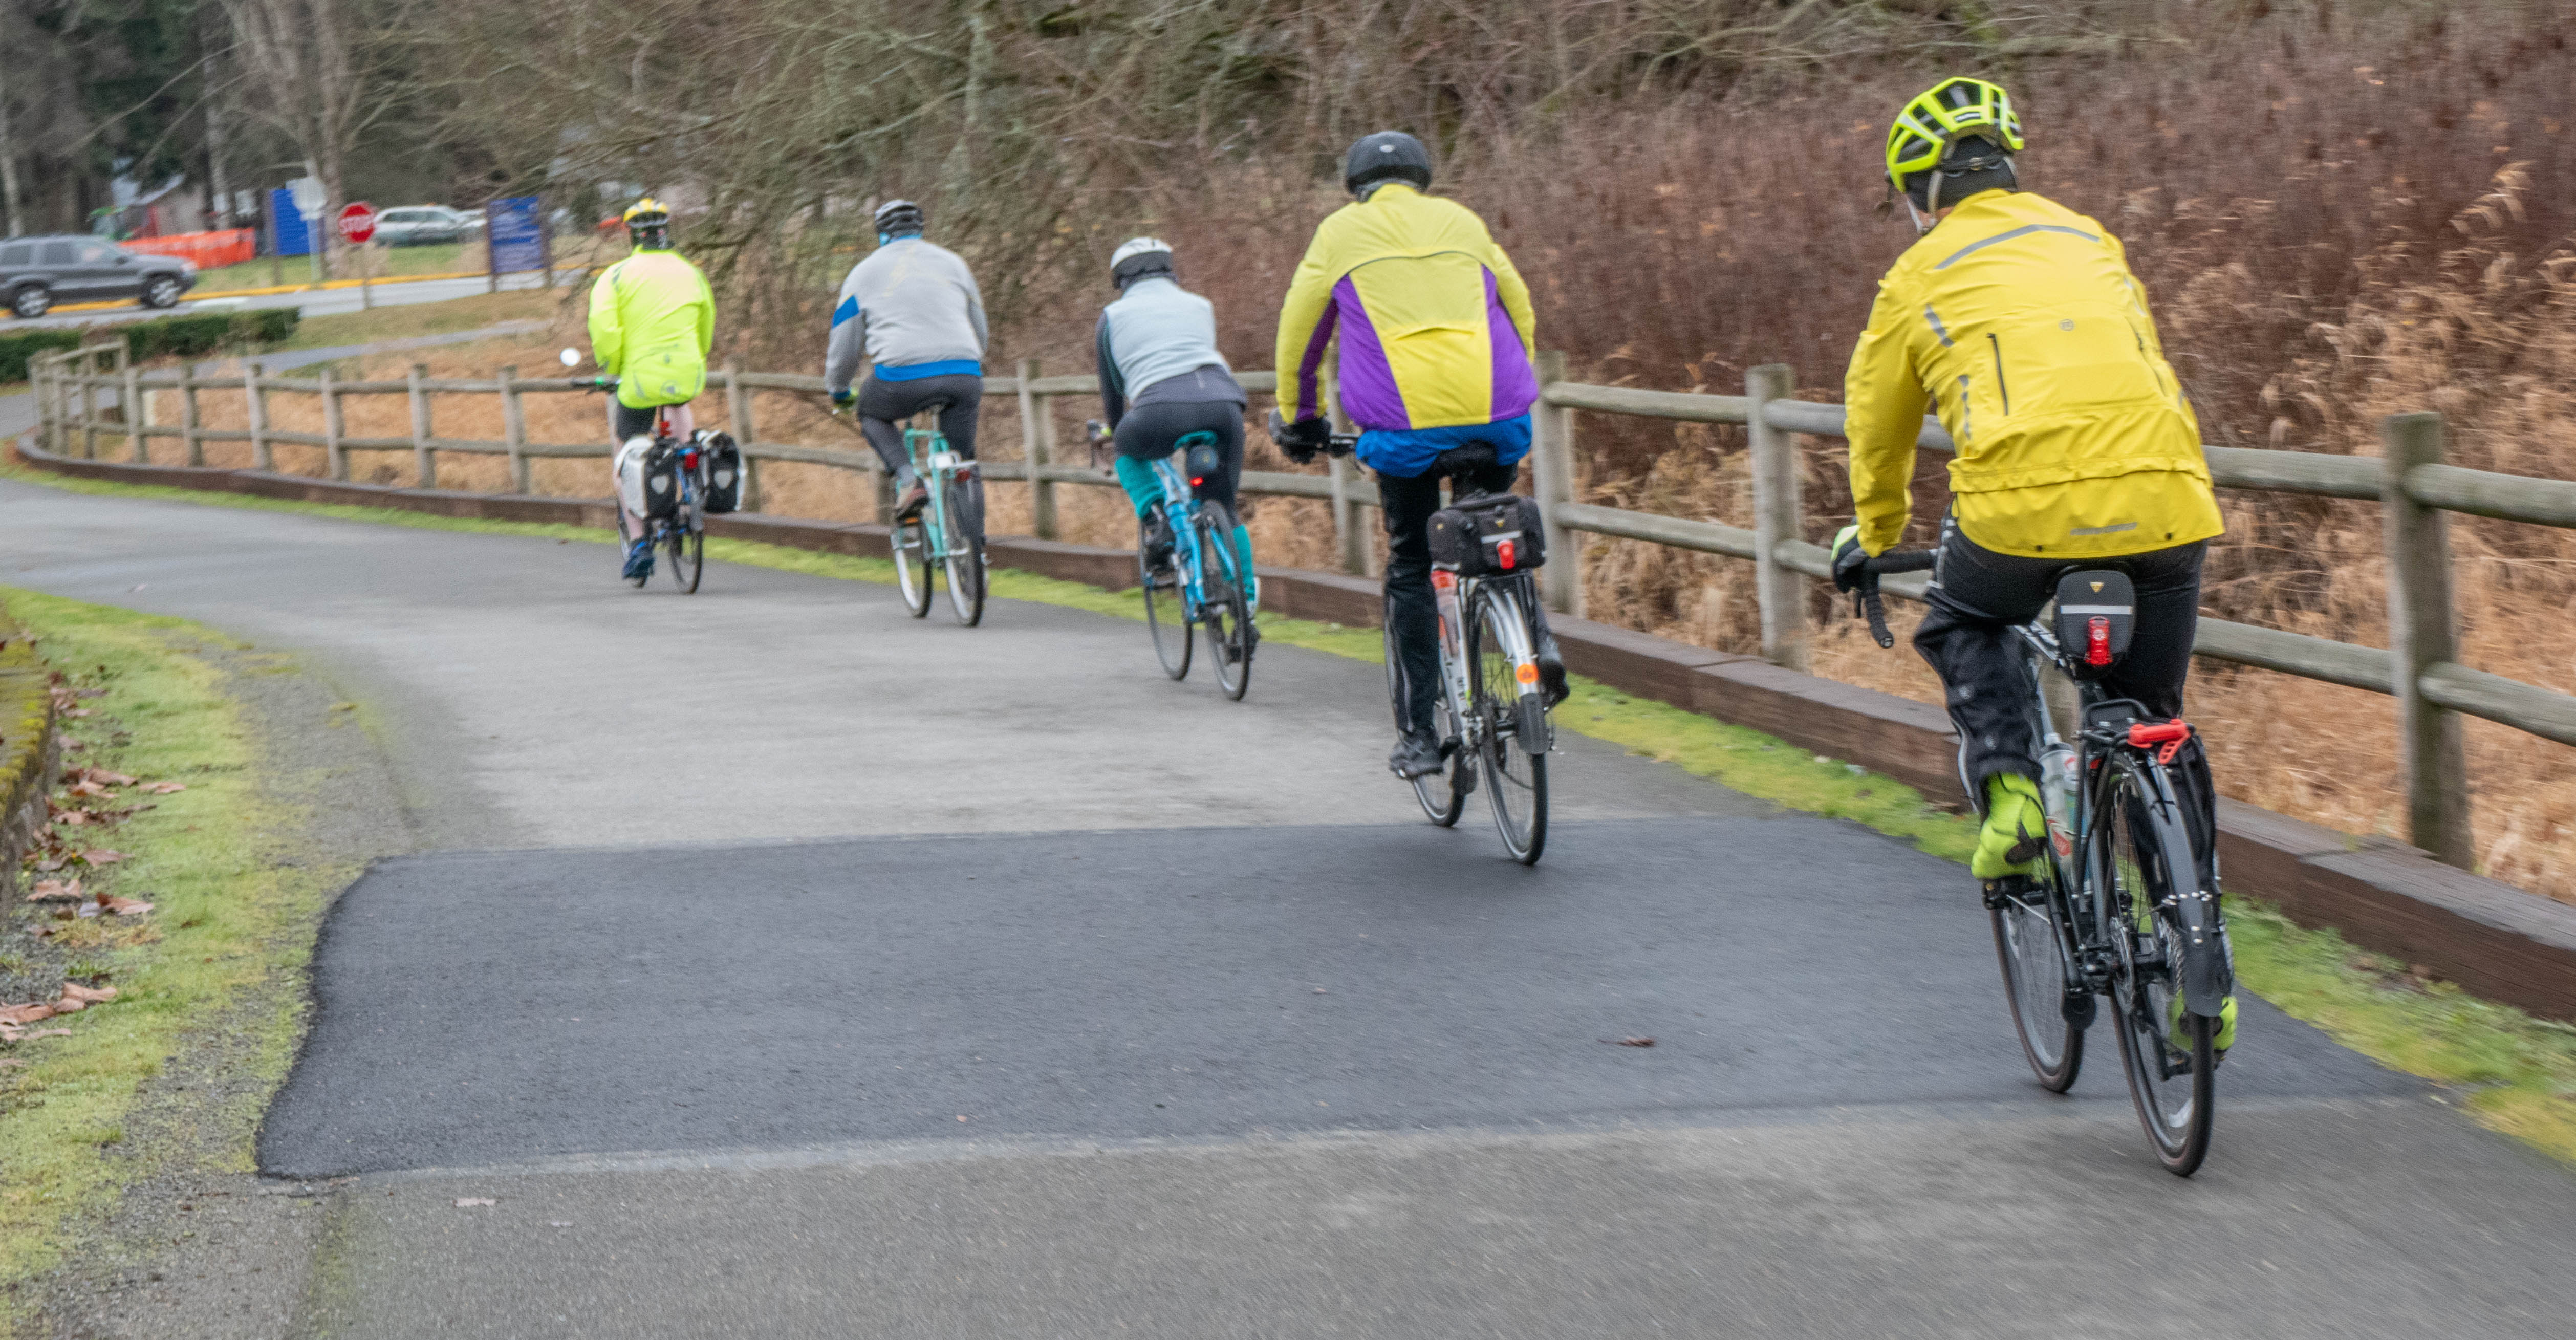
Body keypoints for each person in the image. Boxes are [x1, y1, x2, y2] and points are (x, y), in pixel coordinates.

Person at [1828, 76, 2234, 1049]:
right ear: (2007, 165)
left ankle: (2011, 795)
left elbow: (1874, 422)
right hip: (2167, 502)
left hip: (2019, 517)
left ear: (1920, 189)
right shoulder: (2088, 238)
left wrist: (1876, 530)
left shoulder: (1917, 273)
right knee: (2156, 725)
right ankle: (2201, 963)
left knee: (1961, 621)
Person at [1271, 131, 1563, 780]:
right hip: (1499, 414)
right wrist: (1512, 383)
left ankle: (1418, 736)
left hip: (1405, 434)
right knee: (1492, 528)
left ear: (1356, 186)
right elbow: (1518, 309)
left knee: (1411, 562)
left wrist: (1301, 420)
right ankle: (1536, 646)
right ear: (1422, 177)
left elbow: (1301, 331)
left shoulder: (1341, 233)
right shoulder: (1462, 220)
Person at [1094, 237, 1254, 608]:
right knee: (1224, 506)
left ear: (1120, 280)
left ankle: (1157, 519)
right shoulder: (1201, 305)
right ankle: (1246, 603)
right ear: (1170, 268)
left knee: (1126, 448)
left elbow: (1112, 391)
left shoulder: (1112, 317)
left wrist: (1116, 431)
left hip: (1157, 410)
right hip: (1224, 406)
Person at [824, 199, 989, 534]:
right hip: (964, 372)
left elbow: (845, 346)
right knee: (965, 463)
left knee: (871, 413)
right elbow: (980, 328)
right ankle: (976, 553)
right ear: (920, 228)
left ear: (881, 233)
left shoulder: (862, 273)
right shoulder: (954, 264)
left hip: (900, 379)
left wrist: (839, 390)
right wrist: (970, 362)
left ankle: (909, 479)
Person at [587, 197, 715, 581]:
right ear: (666, 232)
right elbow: (706, 325)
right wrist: (696, 356)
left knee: (625, 453)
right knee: (680, 412)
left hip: (639, 379)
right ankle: (688, 467)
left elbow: (605, 330)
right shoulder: (692, 272)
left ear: (632, 236)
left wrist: (614, 368)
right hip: (686, 372)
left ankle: (640, 542)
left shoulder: (615, 276)